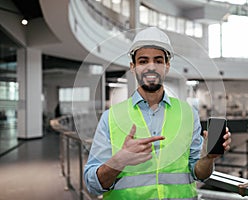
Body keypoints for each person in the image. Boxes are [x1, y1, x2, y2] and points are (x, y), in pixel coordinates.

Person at [84, 27, 231, 199]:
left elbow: (199, 174)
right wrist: (119, 161)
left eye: (158, 61)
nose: (151, 67)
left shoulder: (188, 114)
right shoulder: (111, 117)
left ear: (167, 66)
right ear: (133, 67)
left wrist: (207, 158)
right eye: (143, 61)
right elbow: (92, 185)